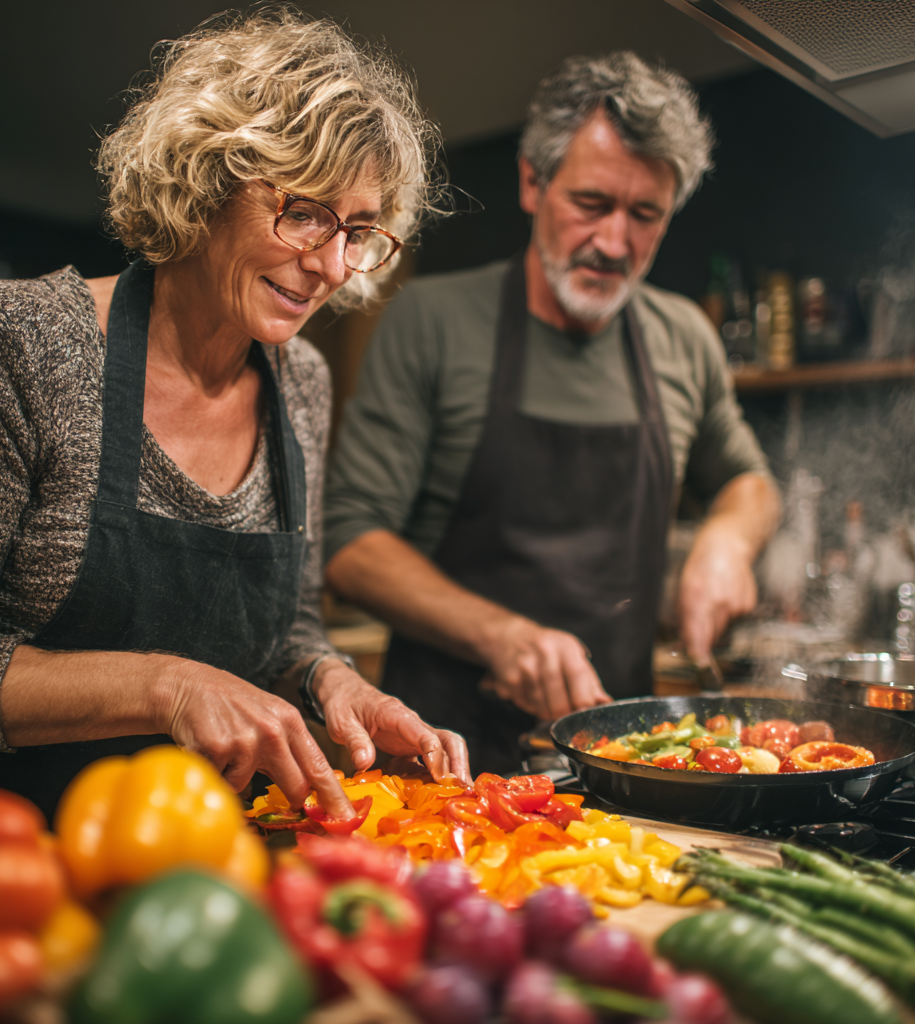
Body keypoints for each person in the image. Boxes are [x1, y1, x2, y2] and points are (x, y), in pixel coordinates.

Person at [0, 10, 469, 826]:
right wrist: (170, 686)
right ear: (205, 182)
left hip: (202, 862)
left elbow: (289, 629)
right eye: (304, 212)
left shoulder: (298, 380)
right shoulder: (17, 341)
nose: (333, 264)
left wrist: (327, 680)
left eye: (360, 230)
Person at [324, 52, 781, 774]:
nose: (614, 242)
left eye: (645, 215)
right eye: (592, 204)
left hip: (624, 759)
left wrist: (728, 542)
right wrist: (502, 634)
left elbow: (747, 480)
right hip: (446, 757)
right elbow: (349, 544)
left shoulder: (683, 336)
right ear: (533, 182)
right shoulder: (433, 321)